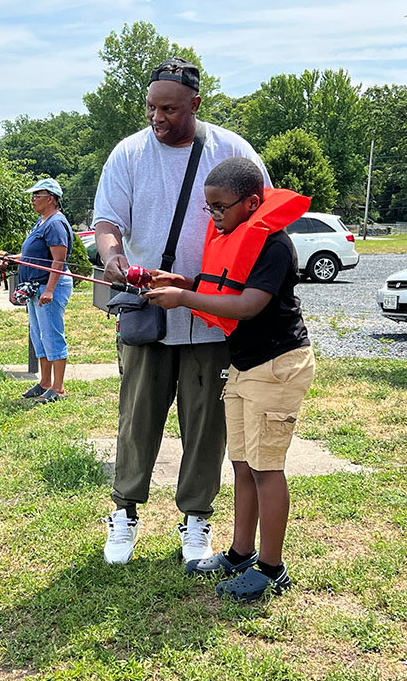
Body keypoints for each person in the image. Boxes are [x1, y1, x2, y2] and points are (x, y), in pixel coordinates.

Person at [92, 57, 270, 565]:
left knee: (206, 423)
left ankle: (196, 519)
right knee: (136, 417)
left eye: (169, 108)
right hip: (148, 312)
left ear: (195, 103)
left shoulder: (232, 150)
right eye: (151, 107)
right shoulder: (128, 153)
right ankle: (124, 512)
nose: (157, 117)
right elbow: (107, 222)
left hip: (212, 315)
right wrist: (112, 257)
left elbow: (261, 222)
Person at [143, 157, 314, 601]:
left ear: (252, 202)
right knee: (241, 462)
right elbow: (222, 284)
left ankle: (272, 569)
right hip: (244, 365)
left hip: (277, 365)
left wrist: (182, 298)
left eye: (220, 207)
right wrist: (183, 281)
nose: (214, 216)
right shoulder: (236, 236)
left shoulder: (275, 246)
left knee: (266, 468)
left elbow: (249, 305)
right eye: (209, 208)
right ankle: (240, 552)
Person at [18, 178, 74, 403]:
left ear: (50, 199)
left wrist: (49, 290)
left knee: (52, 335)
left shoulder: (55, 223)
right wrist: (10, 260)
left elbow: (58, 261)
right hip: (36, 289)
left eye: (36, 196)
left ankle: (58, 388)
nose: (32, 200)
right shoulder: (42, 222)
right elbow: (33, 256)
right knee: (39, 337)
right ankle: (45, 383)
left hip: (49, 288)